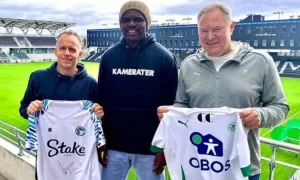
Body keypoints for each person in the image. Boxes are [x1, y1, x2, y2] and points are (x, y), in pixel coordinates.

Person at [157, 2, 289, 180]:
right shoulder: (189, 64)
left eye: (217, 29)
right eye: (203, 31)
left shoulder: (261, 61)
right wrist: (172, 113)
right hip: (198, 165)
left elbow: (280, 107)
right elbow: (182, 104)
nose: (209, 36)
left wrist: (260, 115)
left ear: (231, 27)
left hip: (243, 168)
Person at [97, 1, 178, 179]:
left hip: (150, 150)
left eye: (137, 19)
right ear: (120, 24)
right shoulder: (109, 57)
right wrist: (101, 142)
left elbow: (172, 108)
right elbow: (101, 102)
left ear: (147, 23)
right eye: (126, 20)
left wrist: (164, 148)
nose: (131, 24)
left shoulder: (164, 57)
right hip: (114, 147)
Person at [19, 30, 104, 180]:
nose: (67, 53)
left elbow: (99, 121)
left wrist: (99, 114)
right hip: (48, 157)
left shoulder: (91, 84)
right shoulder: (38, 78)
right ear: (55, 51)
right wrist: (30, 109)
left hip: (79, 160)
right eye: (63, 48)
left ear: (80, 54)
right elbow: (23, 109)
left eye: (72, 49)